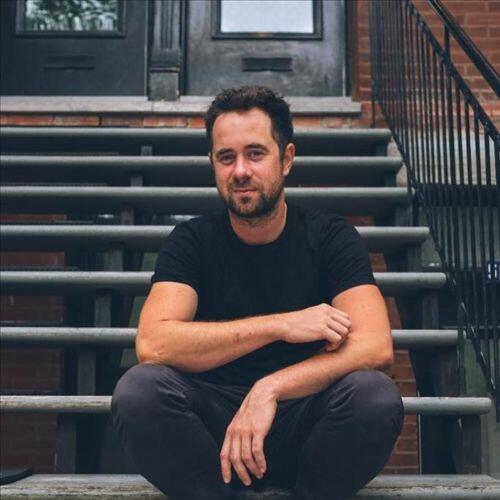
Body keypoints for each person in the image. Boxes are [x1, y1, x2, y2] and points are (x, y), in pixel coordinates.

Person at [112, 86, 404, 500]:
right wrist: (280, 325)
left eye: (255, 154)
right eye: (226, 157)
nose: (240, 171)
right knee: (139, 391)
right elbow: (154, 343)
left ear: (286, 159)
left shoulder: (331, 238)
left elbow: (375, 346)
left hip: (306, 422)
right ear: (212, 164)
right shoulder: (191, 241)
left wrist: (270, 389)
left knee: (375, 396)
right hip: (216, 433)